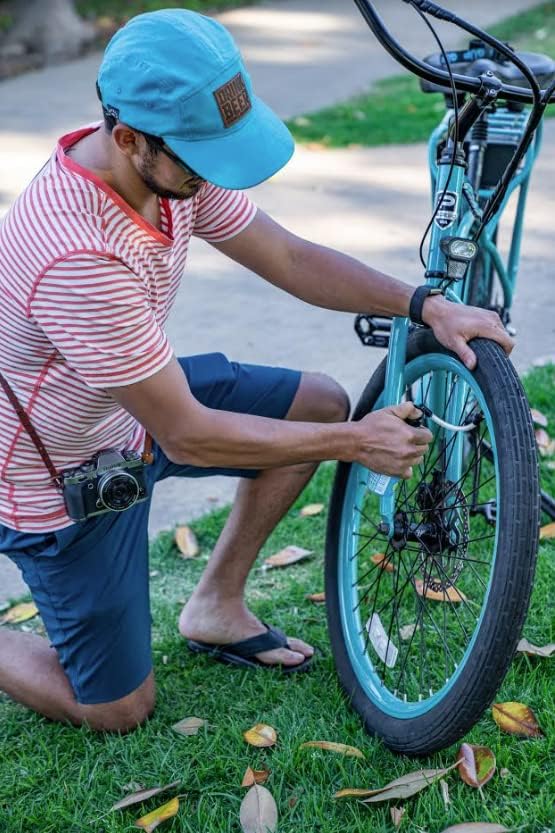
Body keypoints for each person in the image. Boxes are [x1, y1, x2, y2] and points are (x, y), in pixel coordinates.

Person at [0, 9, 512, 734]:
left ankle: (215, 604)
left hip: (132, 402)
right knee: (115, 708)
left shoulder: (167, 166)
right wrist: (353, 444)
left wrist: (425, 305)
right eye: (199, 158)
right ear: (126, 138)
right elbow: (190, 434)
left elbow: (289, 257)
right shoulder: (76, 256)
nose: (210, 173)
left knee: (316, 404)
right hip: (61, 474)